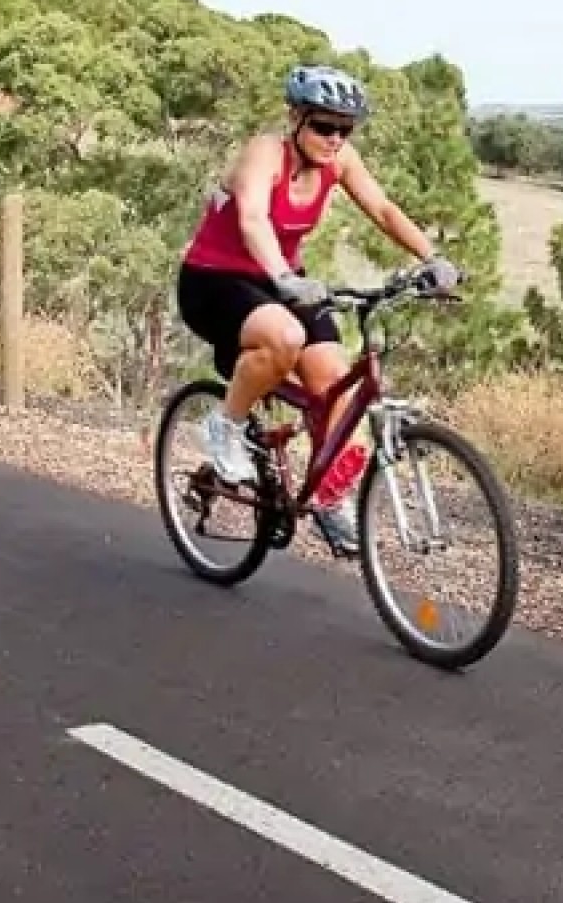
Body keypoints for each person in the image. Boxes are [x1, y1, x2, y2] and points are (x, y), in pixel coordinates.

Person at [174, 64, 458, 553]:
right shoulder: (266, 153)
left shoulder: (340, 160)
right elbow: (253, 219)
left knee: (335, 379)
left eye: (344, 130)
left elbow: (385, 211)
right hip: (215, 281)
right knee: (285, 338)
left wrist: (432, 258)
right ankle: (226, 426)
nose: (334, 138)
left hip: (284, 281)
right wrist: (283, 276)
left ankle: (328, 498)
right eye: (324, 126)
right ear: (296, 117)